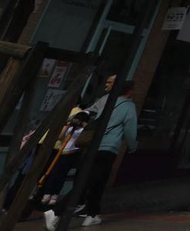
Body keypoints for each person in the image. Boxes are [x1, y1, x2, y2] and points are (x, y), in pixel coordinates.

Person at [44, 80, 138, 230]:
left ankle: (92, 215)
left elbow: (88, 111)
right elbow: (130, 129)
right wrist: (133, 145)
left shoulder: (105, 99)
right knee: (88, 181)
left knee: (100, 180)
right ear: (128, 91)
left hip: (93, 145)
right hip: (109, 147)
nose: (134, 92)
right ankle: (56, 211)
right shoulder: (128, 106)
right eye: (133, 89)